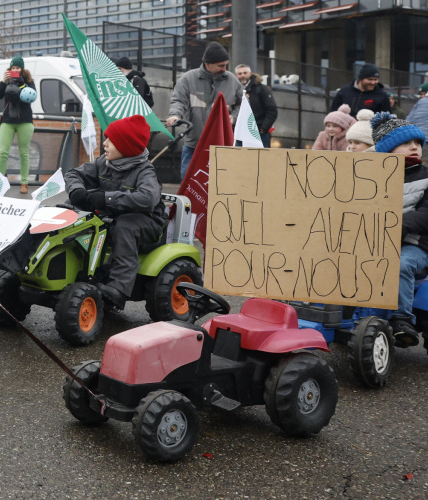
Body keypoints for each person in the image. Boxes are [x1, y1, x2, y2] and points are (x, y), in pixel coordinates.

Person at [64, 115, 167, 310]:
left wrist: (107, 198)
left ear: (126, 147)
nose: (105, 143)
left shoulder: (145, 171)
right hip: (113, 214)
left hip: (148, 221)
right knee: (70, 207)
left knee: (125, 227)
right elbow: (73, 173)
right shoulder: (104, 162)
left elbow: (147, 199)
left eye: (111, 140)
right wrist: (77, 190)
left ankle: (118, 289)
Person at [369, 113, 428, 347]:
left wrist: (396, 228)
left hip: (414, 244)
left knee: (399, 263)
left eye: (418, 143)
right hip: (372, 240)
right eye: (406, 143)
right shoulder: (370, 175)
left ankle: (402, 319)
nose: (415, 147)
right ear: (387, 149)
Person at [166, 42, 241, 179]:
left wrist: (233, 117)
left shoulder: (233, 81)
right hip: (194, 143)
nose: (225, 69)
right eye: (221, 65)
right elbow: (179, 101)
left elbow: (241, 105)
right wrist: (175, 115)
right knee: (188, 182)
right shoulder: (188, 79)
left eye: (226, 65)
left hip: (222, 145)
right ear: (208, 64)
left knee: (221, 186)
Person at [0, 56, 37, 194]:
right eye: (13, 68)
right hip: (8, 121)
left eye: (17, 68)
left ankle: (24, 183)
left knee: (24, 153)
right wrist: (3, 81)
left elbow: (31, 96)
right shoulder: (6, 81)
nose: (15, 70)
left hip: (24, 121)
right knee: (3, 152)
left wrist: (22, 84)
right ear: (9, 69)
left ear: (22, 69)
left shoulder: (28, 81)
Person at [235, 64, 279, 148]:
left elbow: (272, 110)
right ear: (236, 75)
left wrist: (263, 129)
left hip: (258, 133)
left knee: (261, 159)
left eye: (245, 73)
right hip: (239, 133)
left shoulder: (261, 89)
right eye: (240, 74)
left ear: (250, 74)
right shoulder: (234, 89)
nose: (242, 75)